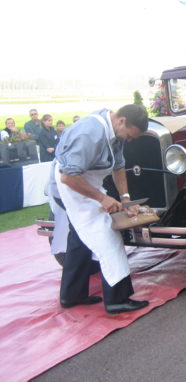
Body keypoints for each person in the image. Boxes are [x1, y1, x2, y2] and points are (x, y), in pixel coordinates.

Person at [48, 104, 150, 314]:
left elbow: (119, 166)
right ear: (121, 121)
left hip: (85, 181)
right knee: (108, 237)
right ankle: (117, 300)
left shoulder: (116, 133)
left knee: (80, 236)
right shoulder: (89, 133)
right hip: (72, 184)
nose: (128, 140)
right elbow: (68, 177)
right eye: (129, 136)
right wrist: (102, 198)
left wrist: (125, 198)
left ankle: (71, 294)